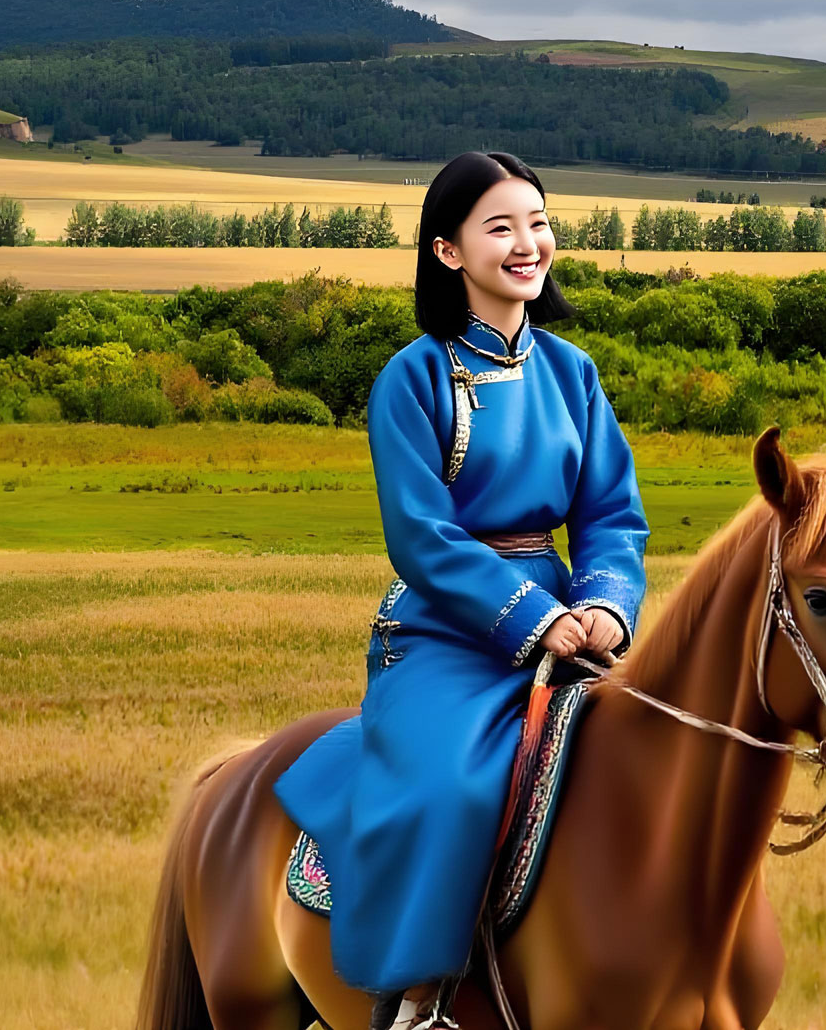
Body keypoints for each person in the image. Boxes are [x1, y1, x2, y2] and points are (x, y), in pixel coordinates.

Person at [275, 150, 650, 1030]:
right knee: (453, 782)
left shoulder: (573, 374)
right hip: (445, 632)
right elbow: (421, 536)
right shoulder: (413, 379)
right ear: (448, 252)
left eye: (539, 222)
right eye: (501, 227)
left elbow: (612, 514)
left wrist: (602, 604)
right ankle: (420, 994)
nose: (529, 244)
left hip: (569, 619)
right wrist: (533, 617)